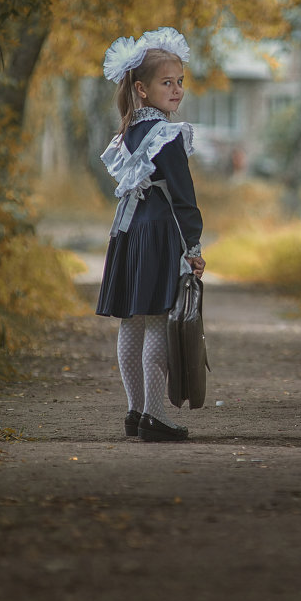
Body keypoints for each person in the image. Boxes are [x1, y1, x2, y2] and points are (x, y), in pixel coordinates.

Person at [95, 26, 206, 443]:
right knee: (157, 320)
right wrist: (193, 246)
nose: (177, 90)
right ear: (141, 89)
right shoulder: (167, 135)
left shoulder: (128, 134)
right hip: (160, 234)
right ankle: (154, 416)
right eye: (167, 83)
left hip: (129, 233)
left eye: (180, 82)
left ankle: (135, 412)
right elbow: (183, 198)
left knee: (133, 321)